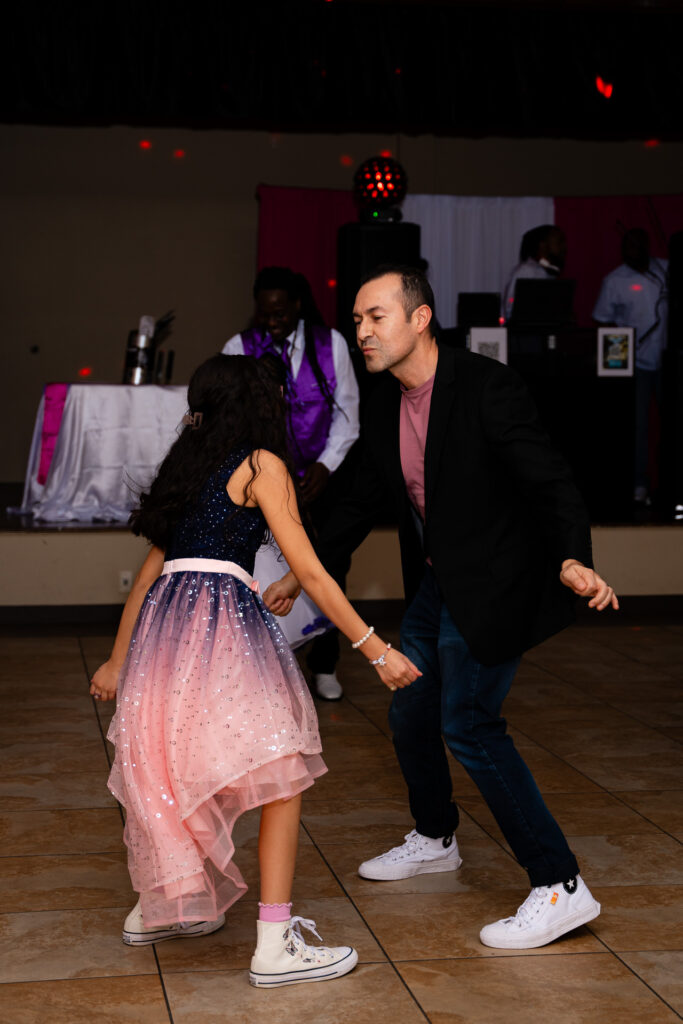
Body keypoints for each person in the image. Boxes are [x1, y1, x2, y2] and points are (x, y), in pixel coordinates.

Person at [265, 265, 619, 951]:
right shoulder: (385, 403)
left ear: (419, 318)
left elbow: (550, 481)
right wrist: (300, 576)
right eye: (357, 321)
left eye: (376, 317)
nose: (363, 332)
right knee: (410, 710)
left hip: (495, 585)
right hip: (437, 584)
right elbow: (357, 503)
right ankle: (435, 837)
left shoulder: (486, 388)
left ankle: (559, 883)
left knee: (470, 724)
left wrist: (572, 557)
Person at [89, 354, 419, 988]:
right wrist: (375, 648)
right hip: (221, 628)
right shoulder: (262, 464)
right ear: (258, 405)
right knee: (281, 770)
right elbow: (314, 571)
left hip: (164, 634)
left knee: (175, 766)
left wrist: (116, 659)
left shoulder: (187, 465)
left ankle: (159, 909)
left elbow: (149, 576)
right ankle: (274, 944)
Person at [223, 267, 360, 701]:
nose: (272, 321)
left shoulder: (331, 343)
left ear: (298, 306)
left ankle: (325, 664)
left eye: (280, 312)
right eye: (265, 312)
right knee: (264, 572)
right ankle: (267, 668)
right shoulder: (239, 347)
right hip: (263, 483)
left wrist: (325, 465)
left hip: (321, 481)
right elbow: (229, 419)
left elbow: (348, 415)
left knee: (327, 568)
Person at [593, 228, 669, 505]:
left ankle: (670, 484)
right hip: (635, 362)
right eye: (627, 245)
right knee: (637, 426)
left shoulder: (666, 270)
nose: (632, 250)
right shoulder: (615, 280)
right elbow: (602, 320)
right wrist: (617, 359)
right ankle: (638, 484)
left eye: (637, 244)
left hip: (668, 360)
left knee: (673, 424)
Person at [502, 225, 567, 320]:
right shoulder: (526, 271)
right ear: (542, 245)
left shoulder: (549, 272)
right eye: (559, 242)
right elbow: (510, 307)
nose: (564, 247)